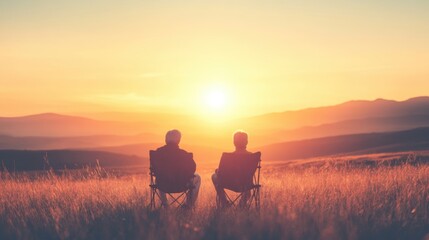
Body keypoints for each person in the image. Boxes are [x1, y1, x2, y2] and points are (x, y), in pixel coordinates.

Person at [152, 129, 201, 208]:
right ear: (178, 140)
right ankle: (188, 205)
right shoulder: (184, 154)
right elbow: (192, 170)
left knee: (158, 178)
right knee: (198, 177)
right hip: (182, 185)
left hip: (163, 185)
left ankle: (166, 206)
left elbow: (154, 170)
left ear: (165, 140)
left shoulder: (158, 153)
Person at [212, 130, 253, 208]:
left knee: (214, 176)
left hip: (228, 183)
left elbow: (220, 173)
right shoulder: (252, 156)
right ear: (247, 142)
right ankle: (241, 205)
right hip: (246, 185)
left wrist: (217, 171)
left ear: (234, 142)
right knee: (247, 180)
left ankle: (224, 202)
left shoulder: (227, 157)